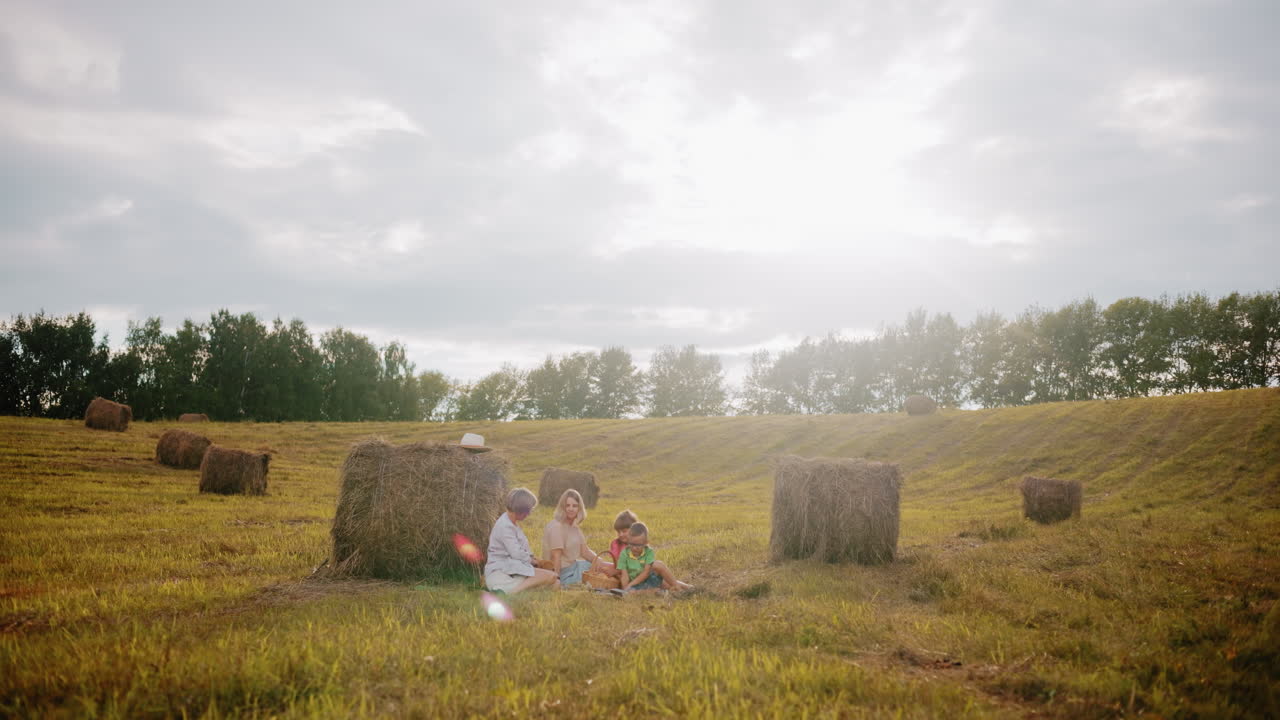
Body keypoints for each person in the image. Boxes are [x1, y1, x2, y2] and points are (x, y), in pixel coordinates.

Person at [484, 488, 558, 594]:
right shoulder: (505, 526)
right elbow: (516, 553)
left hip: (513, 570)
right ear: (521, 509)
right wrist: (533, 561)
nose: (529, 514)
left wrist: (533, 559)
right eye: (528, 510)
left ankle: (522, 592)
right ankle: (512, 593)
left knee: (556, 583)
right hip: (501, 574)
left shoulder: (511, 524)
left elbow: (522, 551)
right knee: (552, 576)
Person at [542, 489, 606, 586]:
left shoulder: (573, 526)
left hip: (574, 567)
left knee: (601, 568)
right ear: (562, 507)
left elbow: (585, 551)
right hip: (563, 573)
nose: (571, 509)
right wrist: (556, 581)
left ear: (579, 508)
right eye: (567, 505)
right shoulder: (556, 527)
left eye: (574, 506)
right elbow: (556, 557)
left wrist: (601, 562)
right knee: (598, 573)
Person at [616, 522, 692, 593]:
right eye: (631, 544)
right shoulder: (624, 554)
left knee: (658, 565)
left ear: (646, 543)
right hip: (638, 585)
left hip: (650, 579)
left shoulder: (649, 552)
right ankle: (658, 591)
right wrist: (625, 588)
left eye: (638, 545)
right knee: (632, 592)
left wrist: (631, 584)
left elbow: (646, 573)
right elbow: (624, 575)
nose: (634, 548)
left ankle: (680, 587)